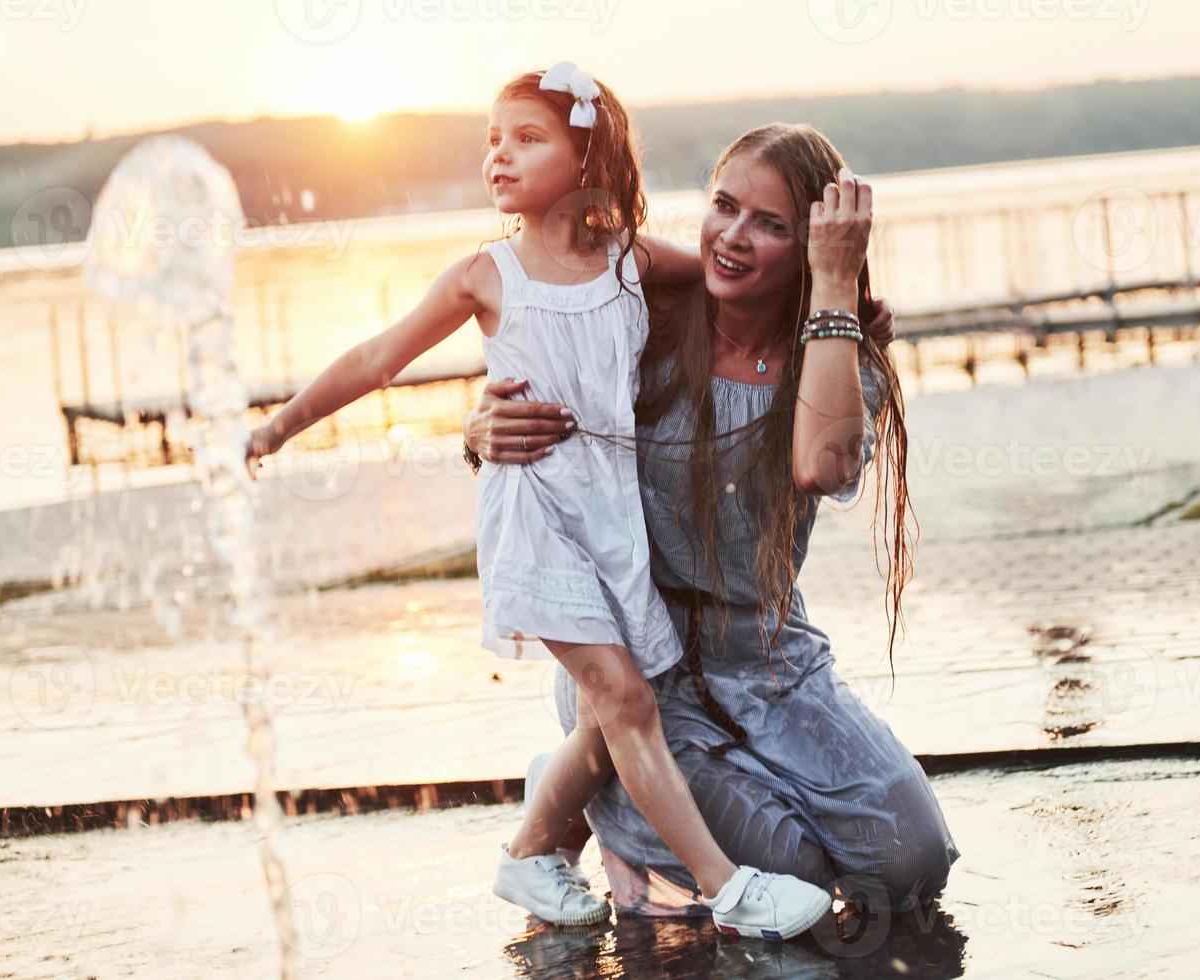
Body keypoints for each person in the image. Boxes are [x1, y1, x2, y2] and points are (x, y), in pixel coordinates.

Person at [244, 63, 834, 939]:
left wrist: (845, 305)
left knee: (609, 718)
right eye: (491, 140)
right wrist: (279, 426)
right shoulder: (487, 274)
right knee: (625, 701)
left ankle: (529, 852)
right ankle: (731, 890)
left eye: (526, 138)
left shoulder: (630, 261)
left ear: (587, 150)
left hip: (611, 519)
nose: (499, 156)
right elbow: (377, 359)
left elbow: (732, 289)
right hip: (535, 517)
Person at [464, 122, 961, 918]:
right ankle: (595, 785)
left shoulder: (836, 350)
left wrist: (832, 293)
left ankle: (592, 792)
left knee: (908, 865)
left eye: (770, 225)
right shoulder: (643, 317)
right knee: (793, 867)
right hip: (635, 677)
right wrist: (477, 432)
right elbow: (527, 371)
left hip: (769, 661)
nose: (732, 238)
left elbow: (822, 467)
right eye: (723, 206)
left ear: (814, 245)